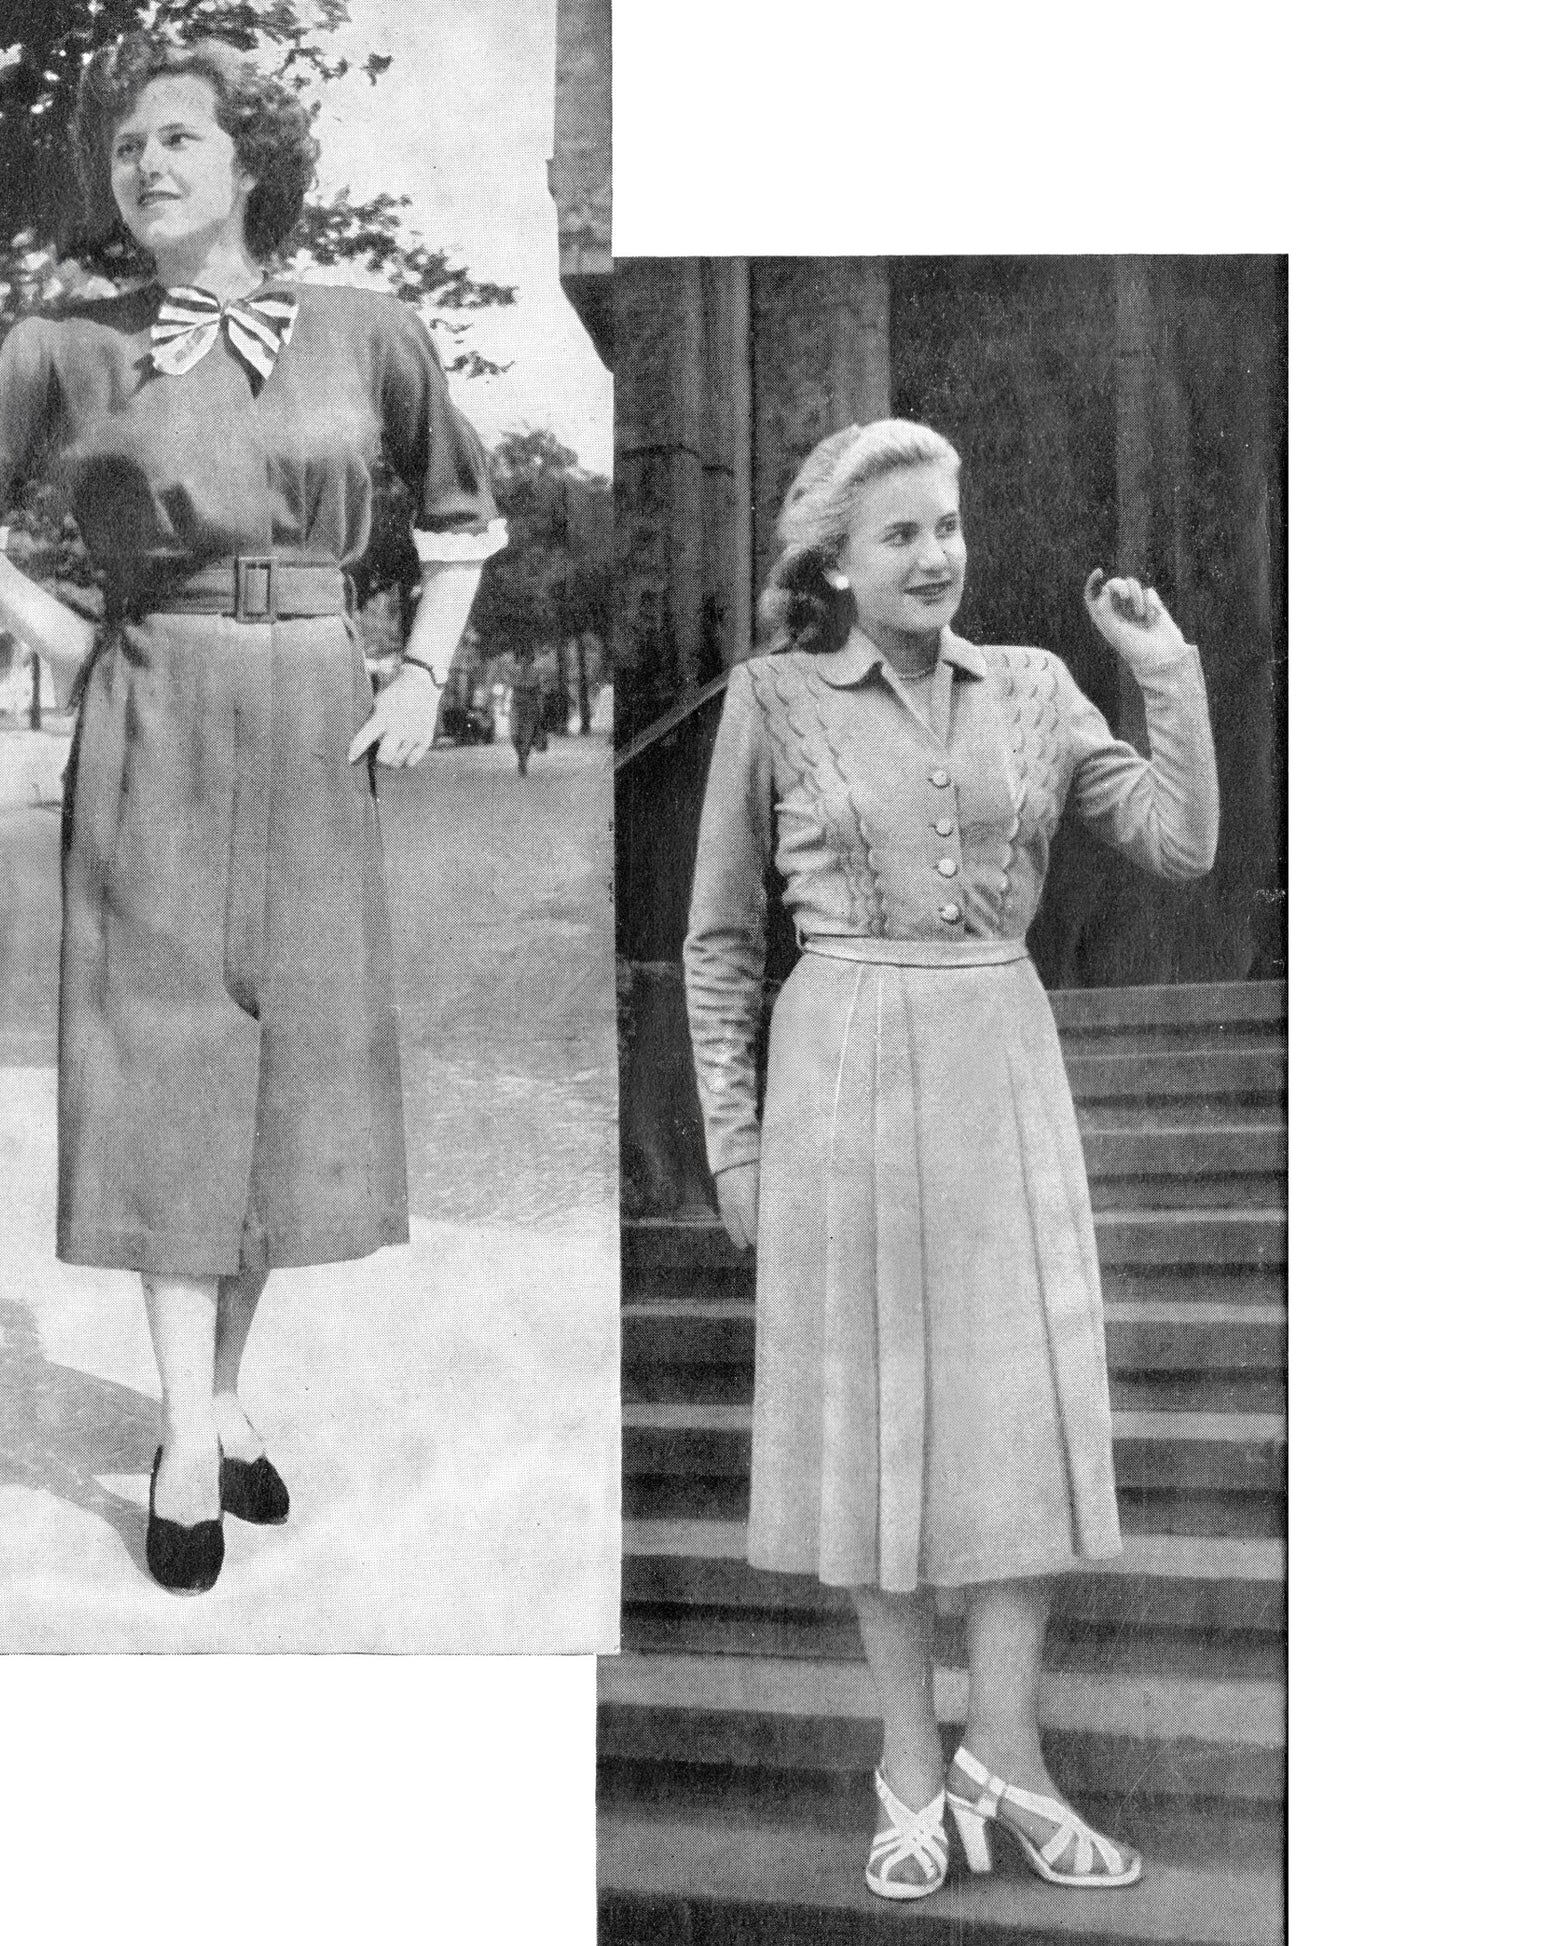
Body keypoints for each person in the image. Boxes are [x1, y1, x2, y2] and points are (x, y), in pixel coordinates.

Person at [0, 31, 504, 1594]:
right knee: (167, 1054)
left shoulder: (367, 328)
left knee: (285, 1057)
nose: (147, 165)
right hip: (152, 697)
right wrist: (70, 641)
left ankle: (227, 1391)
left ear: (250, 162)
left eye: (179, 138)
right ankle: (183, 1433)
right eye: (125, 149)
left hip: (316, 698)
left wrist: (423, 674)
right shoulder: (61, 343)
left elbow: (457, 517)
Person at [682, 420, 1217, 1899]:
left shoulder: (1035, 688)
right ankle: (908, 1762)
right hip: (837, 1074)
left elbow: (1176, 841)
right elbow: (719, 943)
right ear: (836, 563)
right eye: (899, 534)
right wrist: (734, 1149)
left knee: (1013, 1417)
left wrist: (1158, 669)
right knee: (871, 1423)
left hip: (997, 1052)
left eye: (946, 528)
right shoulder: (773, 698)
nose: (933, 555)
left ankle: (1010, 1754)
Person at [508, 643, 542, 775]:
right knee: (514, 736)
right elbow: (509, 686)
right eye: (521, 657)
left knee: (527, 739)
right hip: (516, 707)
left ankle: (523, 761)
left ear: (530, 658)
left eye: (526, 657)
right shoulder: (514, 671)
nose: (524, 660)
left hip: (530, 709)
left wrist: (541, 708)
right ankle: (521, 756)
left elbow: (538, 691)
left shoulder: (536, 672)